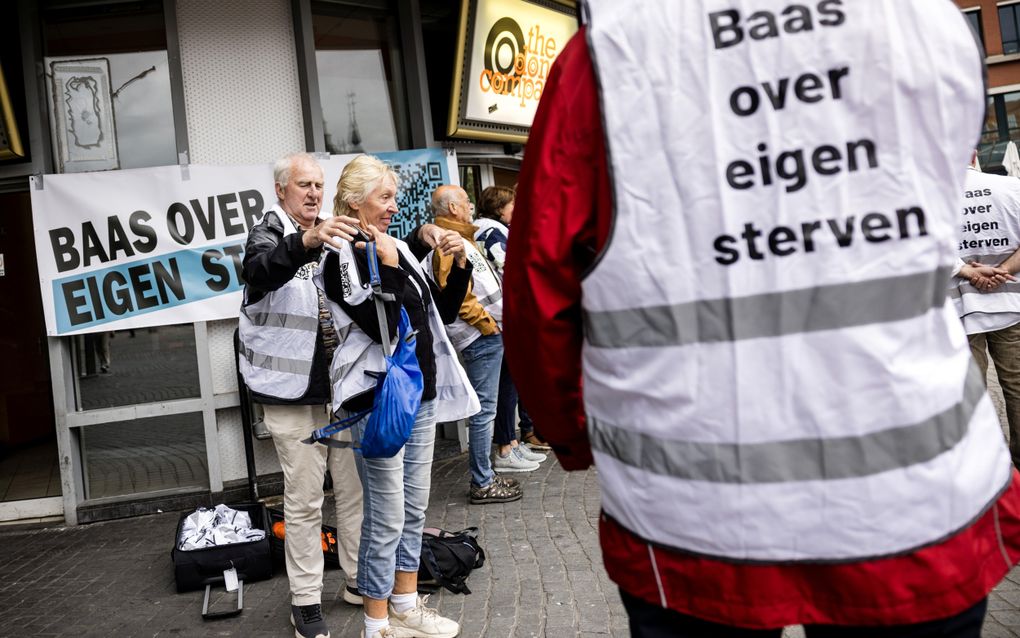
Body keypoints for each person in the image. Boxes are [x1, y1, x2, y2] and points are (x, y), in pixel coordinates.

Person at [503, 1, 1020, 636]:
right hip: (913, 487)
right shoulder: (920, 19)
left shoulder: (608, 53)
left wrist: (572, 433)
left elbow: (537, 282)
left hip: (697, 509)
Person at [319, 154, 478, 638]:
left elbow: (440, 312)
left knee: (413, 509)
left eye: (394, 197)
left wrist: (456, 262)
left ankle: (407, 604)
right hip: (376, 399)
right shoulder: (339, 257)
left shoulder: (395, 248)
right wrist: (389, 267)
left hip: (420, 394)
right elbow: (386, 326)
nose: (393, 207)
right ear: (354, 202)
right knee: (385, 515)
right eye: (383, 197)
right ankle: (376, 623)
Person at [238, 152, 365, 638]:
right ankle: (306, 601)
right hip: (293, 395)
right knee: (306, 500)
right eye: (304, 185)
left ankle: (358, 579)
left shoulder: (335, 233)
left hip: (342, 389)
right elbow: (259, 271)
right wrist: (305, 241)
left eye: (319, 184)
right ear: (281, 191)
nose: (314, 193)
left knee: (354, 491)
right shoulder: (267, 234)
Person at [406, 184, 535, 496]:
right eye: (465, 200)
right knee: (485, 409)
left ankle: (485, 475)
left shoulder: (461, 236)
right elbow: (458, 296)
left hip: (487, 335)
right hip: (481, 337)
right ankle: (482, 480)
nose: (470, 205)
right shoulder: (447, 241)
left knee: (487, 407)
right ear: (452, 208)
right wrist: (488, 325)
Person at [953, 161, 1020, 468]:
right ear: (974, 154)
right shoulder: (1011, 188)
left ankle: (988, 469)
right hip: (1012, 306)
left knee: (973, 393)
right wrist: (1003, 271)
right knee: (1017, 386)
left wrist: (968, 271)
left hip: (960, 312)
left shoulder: (933, 198)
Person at [474, 186, 550, 453]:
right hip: (509, 316)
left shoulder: (487, 231)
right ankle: (511, 441)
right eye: (512, 205)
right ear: (499, 208)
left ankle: (517, 438)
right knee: (512, 382)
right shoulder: (492, 233)